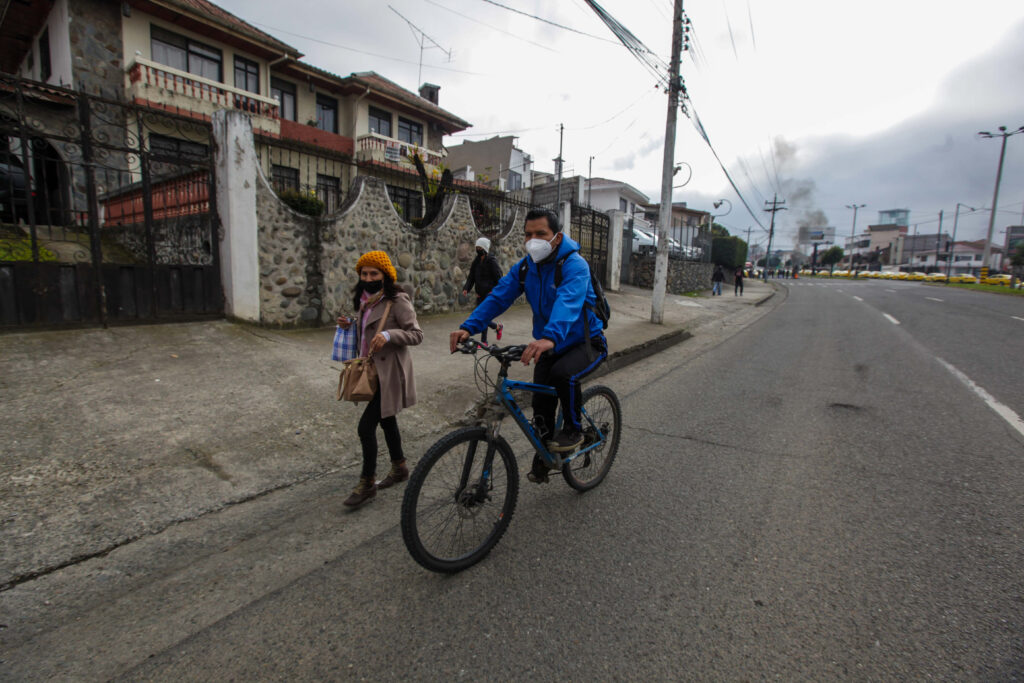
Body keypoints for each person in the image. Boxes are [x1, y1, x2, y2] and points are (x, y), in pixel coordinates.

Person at [449, 208, 607, 484]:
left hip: (585, 342)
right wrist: (468, 327)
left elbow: (568, 302)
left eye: (540, 234)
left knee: (564, 375)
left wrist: (550, 337)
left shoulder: (575, 265)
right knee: (541, 405)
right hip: (549, 344)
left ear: (557, 237)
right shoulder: (525, 268)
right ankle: (546, 456)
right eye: (528, 234)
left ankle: (574, 430)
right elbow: (498, 296)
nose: (533, 240)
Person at [337, 251, 423, 508]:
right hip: (372, 371)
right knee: (387, 420)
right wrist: (350, 324)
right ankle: (400, 467)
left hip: (389, 374)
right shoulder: (366, 301)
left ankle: (367, 484)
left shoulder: (397, 300)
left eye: (374, 273)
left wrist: (389, 335)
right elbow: (368, 327)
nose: (368, 278)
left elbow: (416, 335)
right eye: (364, 274)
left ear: (385, 275)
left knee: (365, 427)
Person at [462, 237, 503, 342]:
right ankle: (497, 327)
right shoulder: (476, 261)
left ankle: (484, 341)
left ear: (485, 248)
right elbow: (471, 276)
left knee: (483, 317)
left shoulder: (492, 261)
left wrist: (494, 291)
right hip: (480, 294)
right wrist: (466, 288)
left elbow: (499, 277)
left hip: (489, 294)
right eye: (477, 248)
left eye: (480, 248)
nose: (478, 250)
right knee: (482, 317)